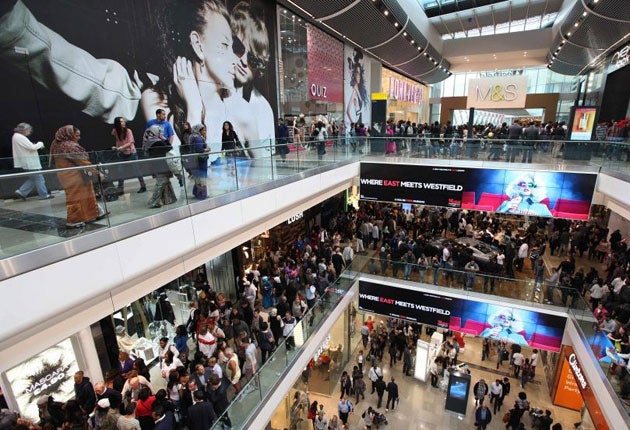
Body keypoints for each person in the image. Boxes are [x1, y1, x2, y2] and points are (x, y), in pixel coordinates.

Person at [50, 125, 103, 228]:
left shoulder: (56, 144)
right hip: (74, 176)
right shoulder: (70, 146)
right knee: (75, 198)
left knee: (83, 196)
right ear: (69, 134)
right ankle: (73, 220)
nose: (79, 137)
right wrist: (97, 172)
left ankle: (90, 215)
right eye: (77, 135)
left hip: (66, 175)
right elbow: (83, 162)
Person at [12, 122, 53, 200]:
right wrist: (40, 143)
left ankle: (22, 192)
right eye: (28, 130)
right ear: (24, 130)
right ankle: (44, 195)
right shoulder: (20, 137)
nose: (29, 132)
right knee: (39, 179)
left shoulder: (16, 137)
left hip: (26, 162)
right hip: (30, 162)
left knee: (34, 178)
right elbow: (32, 147)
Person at [143, 125, 176, 208]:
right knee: (161, 182)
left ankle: (167, 199)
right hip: (160, 165)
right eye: (159, 132)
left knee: (162, 181)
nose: (161, 133)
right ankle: (154, 201)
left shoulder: (148, 141)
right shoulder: (157, 142)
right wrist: (163, 138)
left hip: (154, 165)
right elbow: (169, 147)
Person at [111, 117, 146, 194]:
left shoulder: (128, 131)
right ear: (117, 123)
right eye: (121, 122)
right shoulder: (115, 131)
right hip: (122, 153)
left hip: (131, 152)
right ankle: (120, 190)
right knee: (120, 171)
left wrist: (120, 148)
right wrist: (116, 148)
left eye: (123, 121)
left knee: (136, 170)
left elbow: (130, 142)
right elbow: (118, 140)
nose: (123, 123)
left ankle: (143, 186)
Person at [346, 48, 368, 126]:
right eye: (356, 73)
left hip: (359, 122)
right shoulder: (354, 90)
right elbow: (348, 111)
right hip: (357, 123)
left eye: (359, 73)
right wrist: (354, 124)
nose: (358, 76)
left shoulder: (359, 89)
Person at [189, 123, 210, 200]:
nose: (205, 131)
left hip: (197, 160)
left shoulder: (195, 137)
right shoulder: (197, 138)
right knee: (201, 178)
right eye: (203, 130)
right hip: (200, 160)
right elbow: (200, 150)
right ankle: (202, 195)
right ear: (199, 130)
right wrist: (207, 149)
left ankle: (196, 192)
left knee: (198, 177)